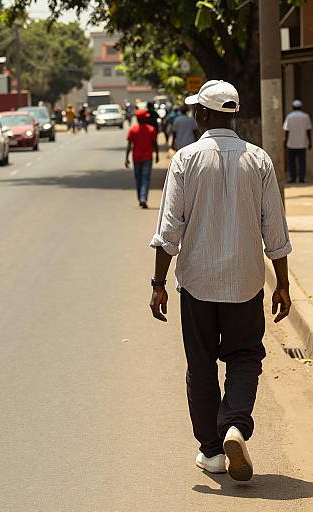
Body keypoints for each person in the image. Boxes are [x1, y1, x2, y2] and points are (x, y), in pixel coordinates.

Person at [149, 80, 292, 482]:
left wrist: (158, 282)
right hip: (246, 282)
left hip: (197, 283)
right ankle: (234, 426)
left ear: (204, 116)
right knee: (245, 356)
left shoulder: (185, 160)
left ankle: (211, 451)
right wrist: (282, 283)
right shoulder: (260, 160)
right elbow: (275, 230)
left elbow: (168, 230)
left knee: (201, 364)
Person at [125, 108, 159, 209]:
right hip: (147, 158)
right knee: (145, 178)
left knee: (138, 178)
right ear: (144, 119)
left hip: (136, 158)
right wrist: (157, 154)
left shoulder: (132, 129)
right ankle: (143, 198)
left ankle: (141, 198)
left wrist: (126, 158)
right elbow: (154, 143)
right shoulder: (151, 129)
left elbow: (129, 145)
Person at [283, 99, 312, 183]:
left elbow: (286, 130)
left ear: (293, 107)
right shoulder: (305, 116)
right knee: (302, 161)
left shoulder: (289, 117)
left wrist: (285, 141)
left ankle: (293, 178)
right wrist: (310, 142)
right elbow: (308, 130)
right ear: (301, 107)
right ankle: (301, 178)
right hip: (302, 143)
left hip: (291, 143)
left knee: (292, 162)